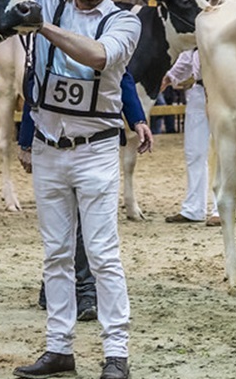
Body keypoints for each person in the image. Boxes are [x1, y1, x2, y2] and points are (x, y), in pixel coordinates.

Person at [0, 0, 141, 379]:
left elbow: (97, 56)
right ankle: (59, 349)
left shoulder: (123, 21)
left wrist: (41, 27)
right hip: (48, 148)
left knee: (102, 254)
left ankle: (116, 351)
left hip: (96, 151)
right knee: (56, 254)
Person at [20, 71, 153, 322]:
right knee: (62, 224)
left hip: (96, 143)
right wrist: (26, 141)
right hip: (52, 142)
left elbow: (122, 75)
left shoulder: (102, 37)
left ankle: (85, 289)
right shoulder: (48, 40)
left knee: (88, 224)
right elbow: (35, 86)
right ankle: (62, 286)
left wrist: (137, 119)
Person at [163, 0, 234, 226]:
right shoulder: (199, 13)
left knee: (222, 152)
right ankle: (193, 208)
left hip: (224, 92)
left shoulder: (232, 15)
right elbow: (190, 53)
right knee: (194, 152)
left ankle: (220, 209)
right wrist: (171, 77)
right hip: (197, 91)